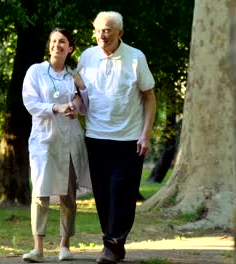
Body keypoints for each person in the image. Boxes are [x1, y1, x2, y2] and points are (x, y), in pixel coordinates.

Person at [76, 11, 156, 264]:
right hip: (96, 136)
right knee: (102, 193)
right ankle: (113, 242)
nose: (103, 34)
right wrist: (71, 103)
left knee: (121, 191)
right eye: (99, 29)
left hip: (129, 138)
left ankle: (112, 245)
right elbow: (79, 90)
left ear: (120, 32)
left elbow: (149, 97)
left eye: (108, 29)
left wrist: (145, 134)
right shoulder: (87, 57)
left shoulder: (135, 57)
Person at [22, 28, 92, 262]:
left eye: (62, 42)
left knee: (68, 194)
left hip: (70, 140)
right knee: (40, 193)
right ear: (49, 45)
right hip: (44, 140)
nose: (57, 45)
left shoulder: (74, 75)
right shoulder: (36, 71)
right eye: (53, 41)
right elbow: (30, 103)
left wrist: (78, 97)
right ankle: (38, 248)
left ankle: (65, 245)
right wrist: (56, 107)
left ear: (70, 48)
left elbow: (85, 107)